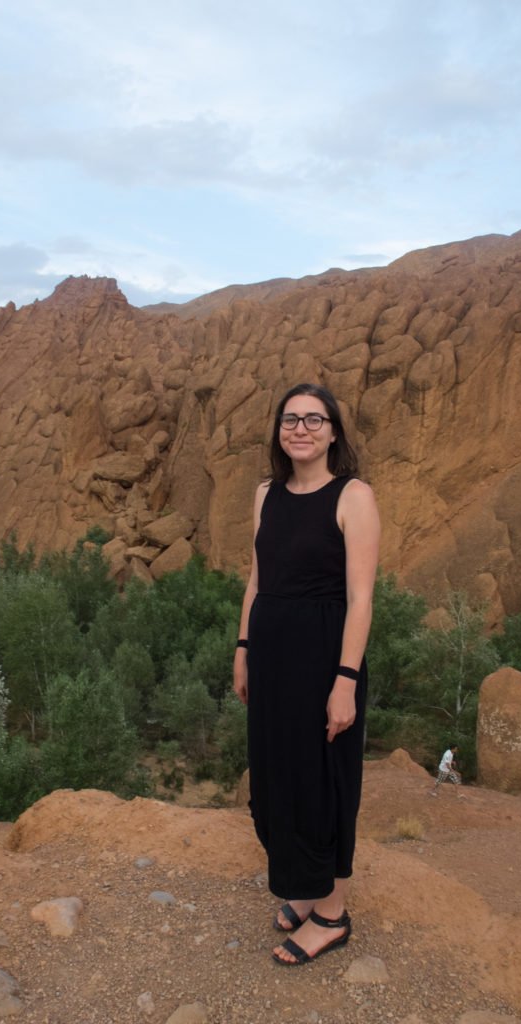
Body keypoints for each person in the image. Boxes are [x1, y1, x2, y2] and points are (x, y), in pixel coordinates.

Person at [233, 382, 380, 966]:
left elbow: (361, 599)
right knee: (278, 776)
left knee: (325, 780)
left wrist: (345, 679)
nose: (300, 428)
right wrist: (243, 647)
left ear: (334, 432)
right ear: (278, 430)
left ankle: (331, 914)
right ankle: (302, 883)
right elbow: (256, 580)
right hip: (271, 655)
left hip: (324, 657)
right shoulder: (266, 493)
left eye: (314, 420)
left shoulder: (353, 496)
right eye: (290, 419)